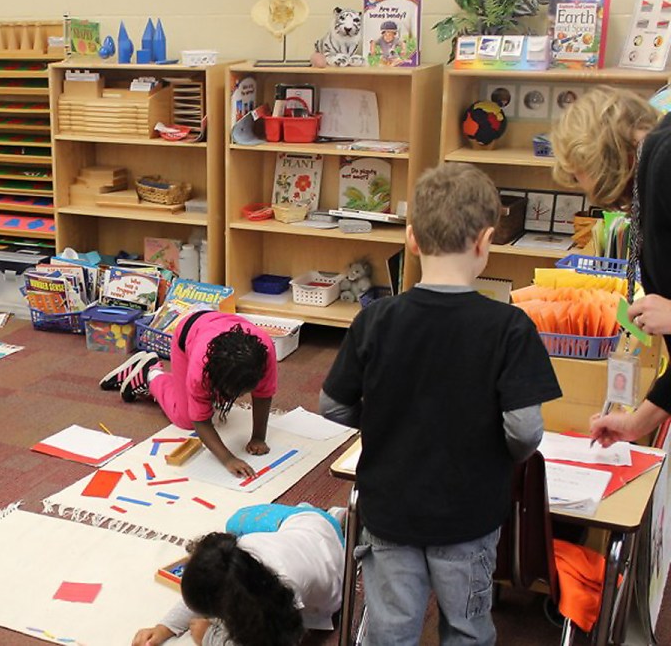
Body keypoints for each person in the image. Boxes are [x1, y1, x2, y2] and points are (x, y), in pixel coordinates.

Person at [319, 163, 561, 645]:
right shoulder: (510, 327)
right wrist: (501, 452)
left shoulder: (375, 320)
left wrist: (383, 423)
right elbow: (524, 431)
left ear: (411, 239)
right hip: (469, 514)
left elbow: (332, 406)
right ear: (485, 241)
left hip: (389, 510)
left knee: (390, 630)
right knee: (467, 629)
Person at [551, 86, 671, 447]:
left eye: (577, 175)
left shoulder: (664, 160)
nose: (586, 191)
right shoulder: (653, 168)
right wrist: (637, 423)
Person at [131, 503, 345, 646]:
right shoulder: (237, 552)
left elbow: (272, 641)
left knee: (237, 522)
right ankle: (326, 515)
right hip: (306, 523)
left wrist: (208, 637)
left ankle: (338, 519)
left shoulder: (282, 596)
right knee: (235, 522)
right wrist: (165, 627)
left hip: (333, 558)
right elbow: (203, 586)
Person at [100, 311, 277, 478]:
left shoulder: (265, 353)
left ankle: (178, 384)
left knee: (214, 399)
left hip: (215, 329)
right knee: (185, 419)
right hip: (188, 333)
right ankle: (150, 374)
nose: (238, 398)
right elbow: (200, 420)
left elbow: (264, 394)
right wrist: (228, 459)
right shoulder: (200, 369)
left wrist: (258, 438)